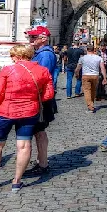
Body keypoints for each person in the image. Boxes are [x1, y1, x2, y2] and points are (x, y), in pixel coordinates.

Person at [0, 44, 54, 192]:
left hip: (5, 112)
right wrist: (35, 98)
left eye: (12, 56)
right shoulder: (43, 71)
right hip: (29, 112)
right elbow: (49, 95)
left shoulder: (8, 70)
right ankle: (16, 181)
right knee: (23, 146)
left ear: (19, 56)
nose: (11, 59)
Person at [25, 26, 59, 175]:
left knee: (39, 131)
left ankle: (43, 163)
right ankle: (41, 160)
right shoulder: (39, 53)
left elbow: (39, 78)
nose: (30, 39)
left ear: (43, 38)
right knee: (38, 130)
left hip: (40, 98)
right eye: (30, 37)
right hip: (39, 96)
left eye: (33, 37)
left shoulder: (45, 55)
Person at [75, 45, 107, 113]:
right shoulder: (99, 58)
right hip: (95, 76)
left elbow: (78, 68)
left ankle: (90, 107)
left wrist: (77, 74)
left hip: (85, 75)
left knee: (87, 91)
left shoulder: (82, 58)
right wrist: (104, 77)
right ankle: (91, 104)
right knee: (93, 90)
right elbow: (102, 68)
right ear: (94, 50)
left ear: (87, 50)